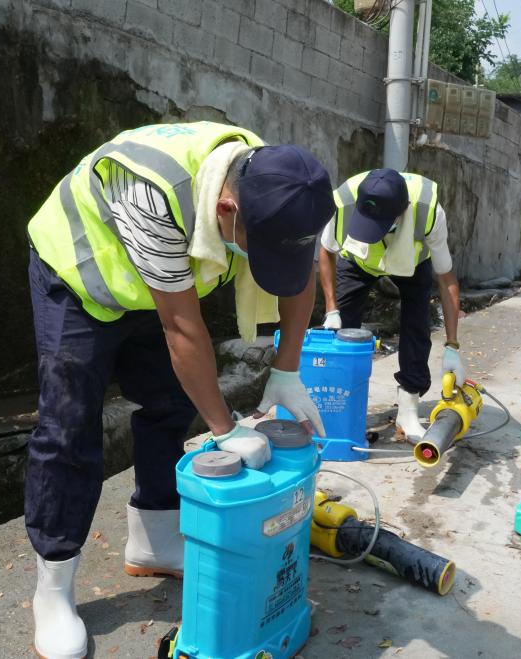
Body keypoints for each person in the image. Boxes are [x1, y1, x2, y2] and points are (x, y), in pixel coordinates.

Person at [24, 121, 335, 659]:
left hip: (156, 283)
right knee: (68, 426)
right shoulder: (154, 193)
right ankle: (52, 587)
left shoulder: (282, 185)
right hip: (78, 274)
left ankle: (154, 540)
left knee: (170, 401)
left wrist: (287, 370)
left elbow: (300, 275)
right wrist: (225, 428)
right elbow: (182, 329)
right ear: (226, 211)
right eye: (261, 249)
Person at [317, 169, 463, 442]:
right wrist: (331, 310)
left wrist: (452, 345)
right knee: (340, 334)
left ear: (403, 211)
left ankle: (408, 410)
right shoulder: (344, 201)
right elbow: (326, 251)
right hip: (358, 260)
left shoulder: (428, 211)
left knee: (417, 325)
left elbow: (446, 279)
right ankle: (339, 405)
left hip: (411, 263)